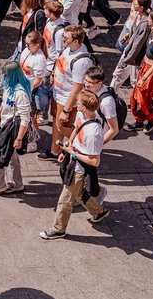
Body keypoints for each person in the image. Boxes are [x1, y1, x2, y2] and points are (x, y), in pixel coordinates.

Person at [39, 89, 110, 240]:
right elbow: (77, 129)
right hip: (73, 158)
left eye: (78, 103)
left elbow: (94, 161)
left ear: (85, 107)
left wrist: (73, 153)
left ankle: (58, 229)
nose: (75, 105)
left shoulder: (93, 132)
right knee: (78, 193)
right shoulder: (82, 115)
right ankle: (98, 211)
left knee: (65, 200)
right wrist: (66, 149)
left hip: (79, 168)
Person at [39, 25, 94, 161]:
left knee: (62, 126)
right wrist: (53, 74)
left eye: (66, 38)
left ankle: (84, 148)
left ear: (76, 41)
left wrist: (67, 110)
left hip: (66, 99)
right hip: (58, 94)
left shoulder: (81, 61)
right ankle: (55, 150)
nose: (63, 39)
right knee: (56, 124)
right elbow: (60, 63)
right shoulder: (69, 49)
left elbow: (77, 88)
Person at [0, 61, 32, 194]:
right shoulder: (9, 87)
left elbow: (25, 118)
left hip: (12, 131)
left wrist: (19, 139)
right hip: (6, 126)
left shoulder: (20, 93)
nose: (3, 77)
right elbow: (5, 103)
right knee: (12, 156)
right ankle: (16, 184)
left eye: (5, 74)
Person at [126, 10, 153, 135]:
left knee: (142, 97)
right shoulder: (152, 30)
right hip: (145, 66)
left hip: (151, 71)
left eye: (150, 18)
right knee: (135, 95)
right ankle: (139, 121)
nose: (148, 20)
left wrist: (144, 77)